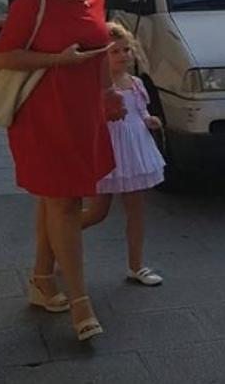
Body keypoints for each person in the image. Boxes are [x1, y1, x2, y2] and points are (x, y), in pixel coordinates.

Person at [0, 0, 123, 342]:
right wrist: (58, 61)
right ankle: (81, 303)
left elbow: (102, 50)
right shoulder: (35, 1)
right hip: (44, 116)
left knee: (59, 199)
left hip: (84, 114)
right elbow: (4, 57)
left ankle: (42, 280)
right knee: (64, 202)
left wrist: (108, 93)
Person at [81, 23, 165, 287]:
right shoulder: (97, 86)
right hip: (109, 151)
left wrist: (149, 120)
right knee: (97, 212)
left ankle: (136, 265)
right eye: (114, 51)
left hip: (134, 151)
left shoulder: (136, 83)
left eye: (126, 49)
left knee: (136, 211)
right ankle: (60, 242)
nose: (123, 55)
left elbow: (141, 112)